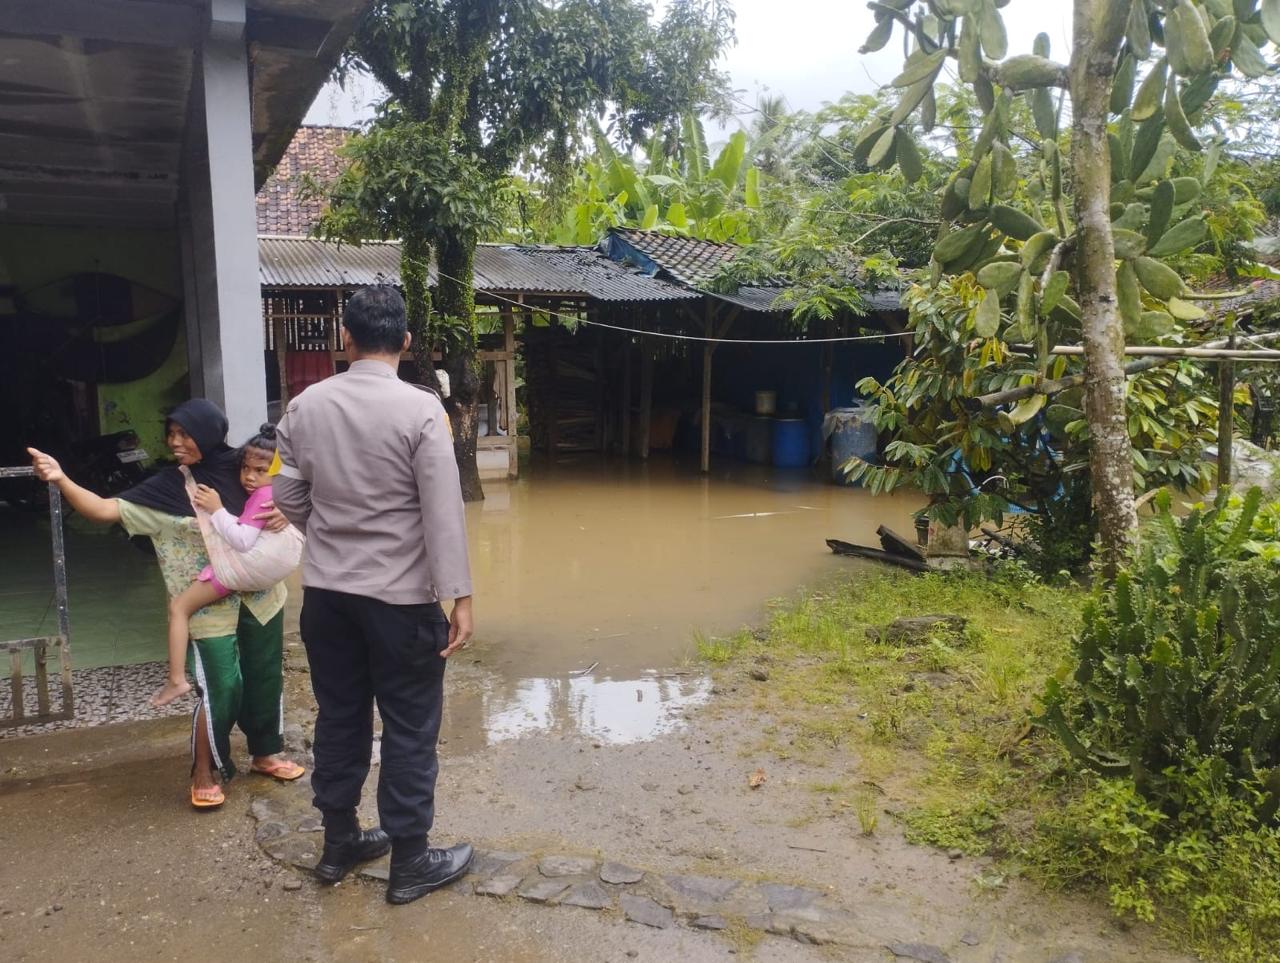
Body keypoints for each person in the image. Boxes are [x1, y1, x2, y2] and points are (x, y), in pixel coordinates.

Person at [273, 285, 475, 905]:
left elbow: (286, 495)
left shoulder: (304, 406)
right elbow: (443, 512)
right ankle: (411, 860)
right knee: (410, 725)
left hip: (328, 598)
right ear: (406, 342)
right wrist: (460, 596)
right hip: (401, 600)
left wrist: (331, 536)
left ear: (346, 339)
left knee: (339, 715)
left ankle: (339, 842)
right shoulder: (422, 411)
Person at [28, 400, 305, 809]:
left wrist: (286, 505)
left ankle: (265, 753)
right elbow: (103, 510)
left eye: (185, 434)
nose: (175, 442)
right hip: (207, 603)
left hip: (262, 597)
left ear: (210, 432)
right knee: (222, 686)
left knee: (264, 678)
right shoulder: (165, 487)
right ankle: (204, 769)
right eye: (171, 434)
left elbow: (303, 479)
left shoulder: (246, 463)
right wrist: (61, 478)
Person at [151, 424, 285, 708]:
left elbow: (242, 540)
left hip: (237, 571)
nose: (249, 476)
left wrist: (217, 509)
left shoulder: (263, 497)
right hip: (250, 573)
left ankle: (176, 679)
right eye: (245, 468)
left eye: (260, 471)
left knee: (179, 608)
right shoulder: (276, 495)